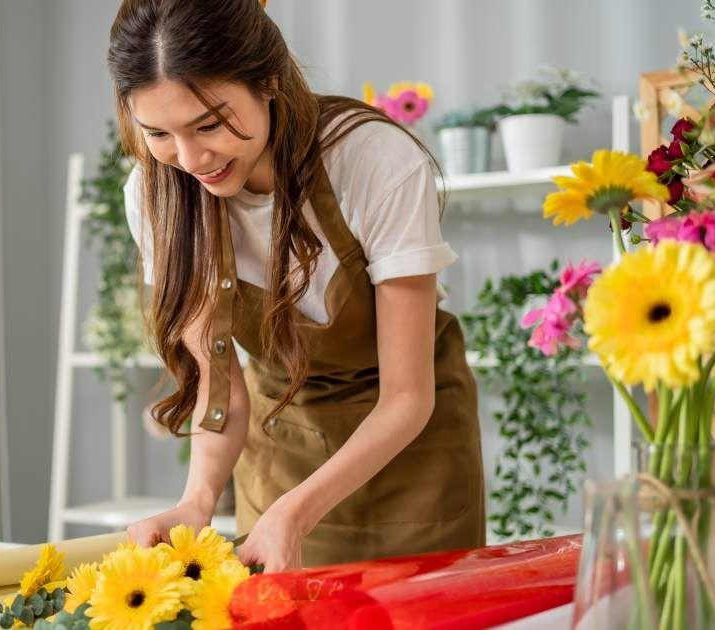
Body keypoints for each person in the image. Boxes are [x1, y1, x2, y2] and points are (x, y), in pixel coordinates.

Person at [107, 0, 485, 572]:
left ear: (270, 81)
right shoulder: (155, 194)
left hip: (412, 457)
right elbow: (222, 388)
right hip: (280, 444)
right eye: (159, 132)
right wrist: (196, 502)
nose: (190, 159)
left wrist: (298, 512)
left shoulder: (373, 161)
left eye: (209, 124)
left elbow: (408, 396)